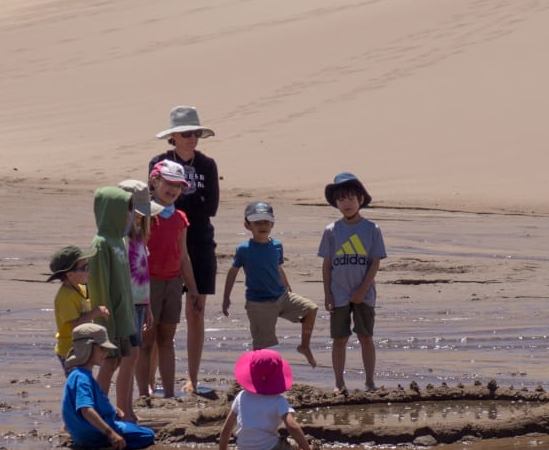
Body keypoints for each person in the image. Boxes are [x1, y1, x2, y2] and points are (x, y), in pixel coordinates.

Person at [150, 106, 220, 396]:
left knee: (196, 310)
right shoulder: (159, 162)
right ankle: (151, 380)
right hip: (164, 243)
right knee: (157, 316)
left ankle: (192, 377)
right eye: (186, 133)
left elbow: (211, 206)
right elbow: (154, 202)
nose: (192, 138)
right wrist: (186, 204)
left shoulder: (207, 165)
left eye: (195, 133)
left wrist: (180, 205)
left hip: (200, 241)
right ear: (173, 136)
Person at [221, 200, 319, 366]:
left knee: (311, 308)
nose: (262, 226)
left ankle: (304, 346)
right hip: (259, 303)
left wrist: (287, 286)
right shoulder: (244, 249)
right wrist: (226, 298)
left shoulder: (277, 245)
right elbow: (232, 273)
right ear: (247, 225)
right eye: (257, 222)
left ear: (272, 223)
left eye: (266, 222)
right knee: (262, 348)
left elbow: (278, 268)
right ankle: (256, 377)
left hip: (281, 296)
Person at [317, 172, 387, 392]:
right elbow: (327, 265)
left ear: (361, 200)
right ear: (335, 203)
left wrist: (362, 290)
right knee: (340, 339)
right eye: (341, 199)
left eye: (351, 198)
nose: (346, 203)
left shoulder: (372, 229)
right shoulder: (331, 231)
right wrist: (327, 294)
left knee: (366, 337)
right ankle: (339, 383)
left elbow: (375, 263)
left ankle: (370, 382)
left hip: (364, 294)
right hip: (338, 293)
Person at [141, 159, 198, 398]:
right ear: (155, 182)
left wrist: (193, 288)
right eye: (168, 183)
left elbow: (184, 255)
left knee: (167, 339)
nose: (173, 189)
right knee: (146, 340)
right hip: (148, 283)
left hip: (173, 283)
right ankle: (144, 393)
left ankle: (169, 394)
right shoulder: (143, 214)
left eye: (178, 185)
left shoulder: (180, 218)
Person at [62, 322, 156, 450]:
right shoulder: (83, 378)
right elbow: (86, 409)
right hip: (92, 434)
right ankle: (106, 446)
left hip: (81, 433)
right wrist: (111, 433)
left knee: (131, 427)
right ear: (87, 347)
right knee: (147, 435)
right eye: (102, 348)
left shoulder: (77, 375)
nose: (105, 353)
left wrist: (113, 410)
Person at [216, 349, 320, 450]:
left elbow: (226, 428)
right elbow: (292, 426)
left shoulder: (241, 396)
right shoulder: (278, 400)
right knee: (292, 445)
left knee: (278, 442)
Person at [87, 186, 138, 394]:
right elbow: (99, 285)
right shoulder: (101, 244)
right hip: (110, 320)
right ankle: (98, 408)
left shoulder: (119, 240)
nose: (129, 215)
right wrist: (105, 320)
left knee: (117, 361)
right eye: (125, 210)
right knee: (108, 363)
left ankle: (105, 407)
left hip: (124, 317)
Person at [115, 179, 154, 420]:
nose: (138, 218)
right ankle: (123, 408)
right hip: (126, 305)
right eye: (135, 213)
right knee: (126, 359)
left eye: (141, 215)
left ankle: (127, 407)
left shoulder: (140, 236)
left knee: (134, 356)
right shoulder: (121, 239)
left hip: (140, 304)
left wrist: (148, 306)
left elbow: (144, 275)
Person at [48, 244, 107, 374]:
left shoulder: (80, 289)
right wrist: (95, 312)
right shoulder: (65, 297)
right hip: (70, 351)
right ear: (70, 275)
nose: (88, 271)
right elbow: (75, 325)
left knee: (84, 380)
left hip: (83, 347)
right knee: (78, 383)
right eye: (84, 268)